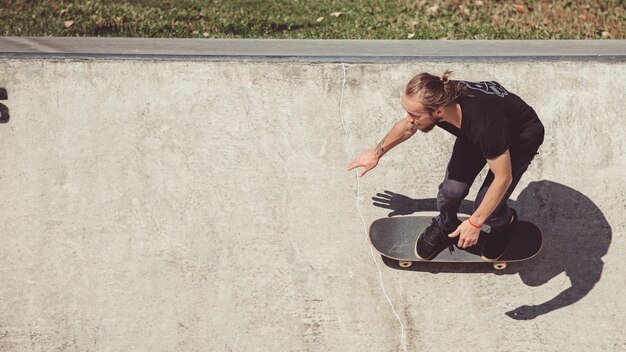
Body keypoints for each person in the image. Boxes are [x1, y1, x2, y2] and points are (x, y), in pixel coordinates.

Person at [348, 70, 544, 261]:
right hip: (476, 135)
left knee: (489, 210)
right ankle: (446, 224)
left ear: (439, 111)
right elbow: (408, 127)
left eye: (414, 115)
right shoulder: (439, 98)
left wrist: (475, 223)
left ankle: (505, 224)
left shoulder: (483, 124)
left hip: (520, 139)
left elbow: (503, 178)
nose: (410, 119)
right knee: (450, 191)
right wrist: (376, 153)